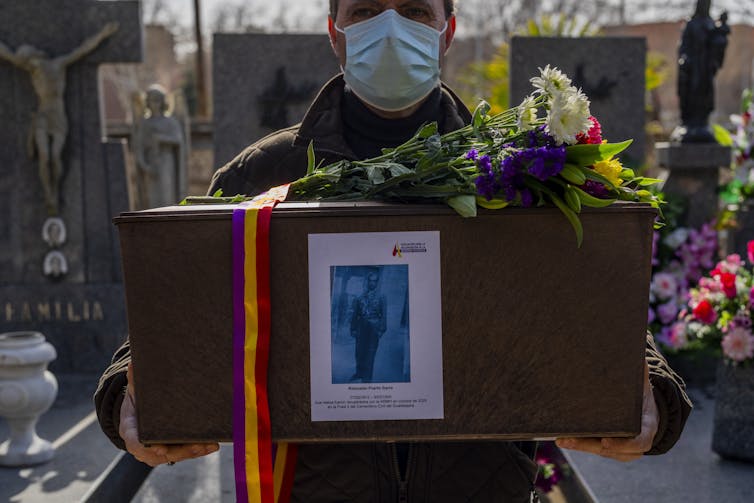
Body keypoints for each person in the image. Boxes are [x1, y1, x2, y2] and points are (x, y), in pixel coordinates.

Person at [96, 1, 692, 501]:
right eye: (364, 11)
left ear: (446, 30)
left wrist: (650, 396)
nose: (390, 28)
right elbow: (172, 311)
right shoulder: (264, 173)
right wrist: (129, 393)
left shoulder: (523, 171)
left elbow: (594, 302)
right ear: (336, 33)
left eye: (413, 11)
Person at [0, 22, 119, 215]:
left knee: (55, 157)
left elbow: (82, 50)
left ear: (36, 56)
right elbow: (6, 54)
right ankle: (50, 195)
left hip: (58, 116)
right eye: (25, 63)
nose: (27, 65)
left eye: (28, 60)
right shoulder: (31, 70)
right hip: (41, 116)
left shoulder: (58, 64)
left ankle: (55, 188)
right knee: (44, 156)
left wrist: (102, 35)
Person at [674, 0, 729, 143]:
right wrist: (684, 58)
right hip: (693, 66)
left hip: (705, 66)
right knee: (691, 93)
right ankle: (689, 123)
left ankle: (702, 123)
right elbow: (683, 46)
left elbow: (718, 43)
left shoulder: (711, 23)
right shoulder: (691, 24)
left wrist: (722, 29)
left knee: (705, 94)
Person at [132, 84, 187, 209]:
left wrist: (162, 139)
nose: (154, 104)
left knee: (167, 196)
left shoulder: (170, 122)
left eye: (157, 100)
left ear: (163, 102)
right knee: (152, 200)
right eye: (151, 101)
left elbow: (178, 140)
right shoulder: (145, 123)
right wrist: (145, 165)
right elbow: (139, 147)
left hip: (167, 161)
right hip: (152, 162)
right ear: (147, 103)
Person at [350, 272, 387, 382]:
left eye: (374, 281)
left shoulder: (381, 297)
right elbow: (355, 314)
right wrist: (353, 329)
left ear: (377, 283)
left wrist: (381, 330)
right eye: (370, 280)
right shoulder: (360, 297)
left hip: (374, 329)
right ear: (367, 281)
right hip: (361, 327)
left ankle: (366, 379)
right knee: (359, 352)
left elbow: (384, 315)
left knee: (370, 354)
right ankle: (359, 373)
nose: (372, 283)